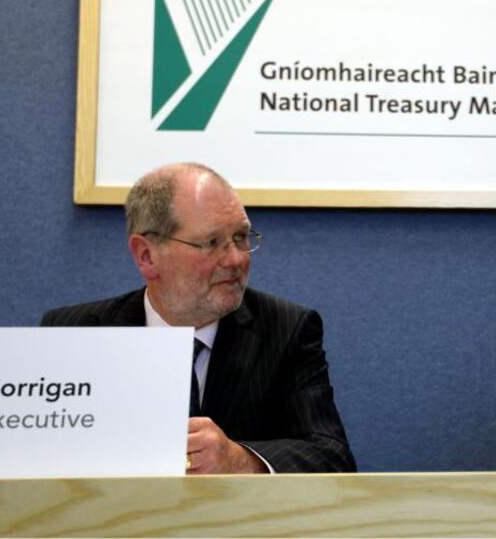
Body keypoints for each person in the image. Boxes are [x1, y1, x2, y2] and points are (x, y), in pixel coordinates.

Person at [41, 163, 356, 474]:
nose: (235, 259)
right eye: (211, 243)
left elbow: (331, 458)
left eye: (241, 237)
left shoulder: (286, 329)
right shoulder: (75, 334)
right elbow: (37, 458)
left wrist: (239, 460)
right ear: (146, 256)